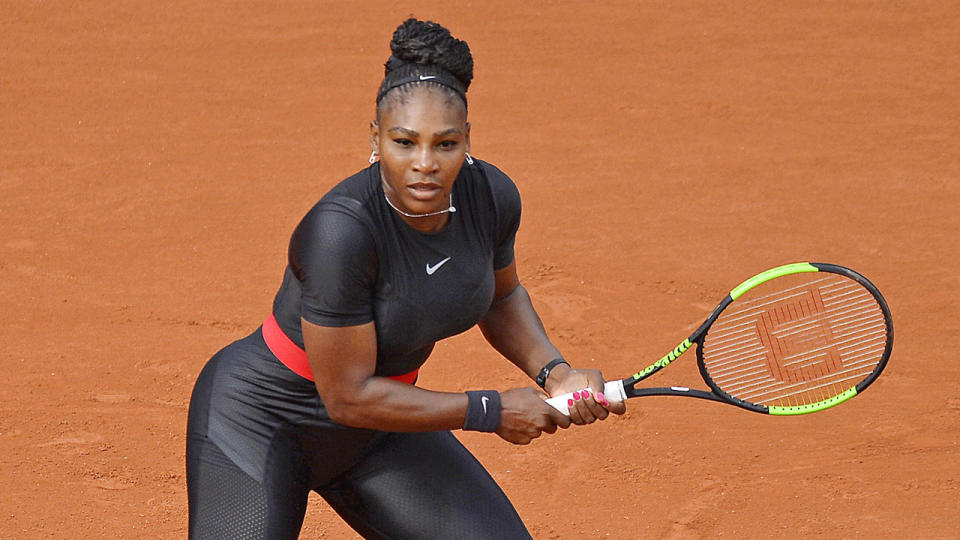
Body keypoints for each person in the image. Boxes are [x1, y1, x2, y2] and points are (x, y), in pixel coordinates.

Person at [186, 17, 625, 539]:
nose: (425, 164)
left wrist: (555, 373)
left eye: (444, 144)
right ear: (376, 139)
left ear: (467, 140)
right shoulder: (340, 232)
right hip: (263, 420)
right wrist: (489, 410)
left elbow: (501, 295)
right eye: (404, 142)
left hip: (382, 429)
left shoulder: (491, 197)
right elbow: (346, 397)